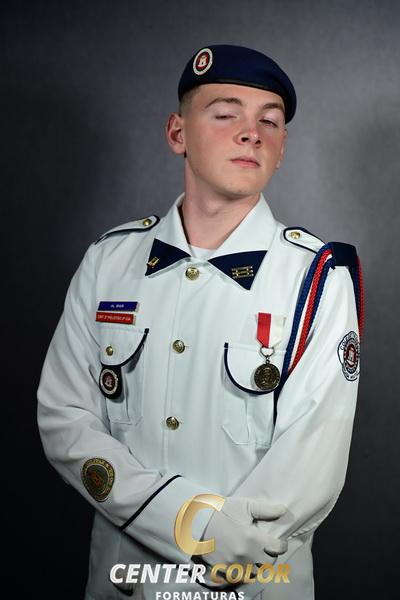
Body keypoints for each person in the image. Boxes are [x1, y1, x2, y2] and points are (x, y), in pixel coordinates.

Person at [37, 45, 363, 600]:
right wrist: (187, 523)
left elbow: (312, 461)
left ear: (282, 148)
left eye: (269, 121)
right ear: (177, 133)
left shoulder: (317, 278)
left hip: (250, 586)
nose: (251, 133)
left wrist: (222, 545)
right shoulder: (109, 262)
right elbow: (64, 418)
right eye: (225, 113)